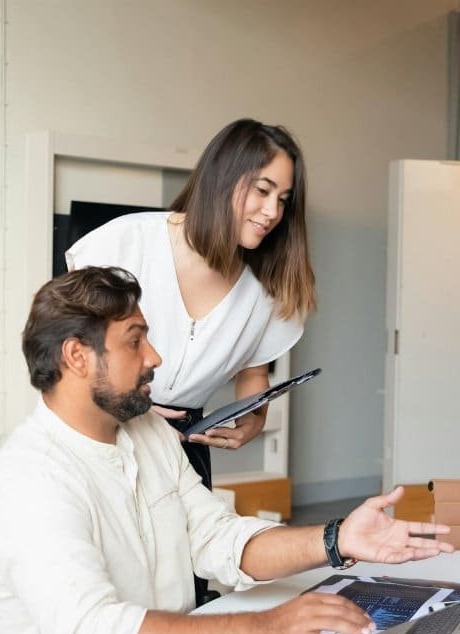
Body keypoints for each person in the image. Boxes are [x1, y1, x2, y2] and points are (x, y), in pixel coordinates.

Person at [0, 266, 452, 634]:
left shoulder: (146, 431)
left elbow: (217, 538)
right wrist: (268, 628)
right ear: (77, 356)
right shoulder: (31, 478)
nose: (154, 358)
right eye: (135, 341)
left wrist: (338, 538)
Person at [64, 118, 316, 493]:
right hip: (102, 431)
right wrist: (126, 401)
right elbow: (66, 346)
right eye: (262, 191)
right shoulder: (128, 241)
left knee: (187, 551)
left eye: (282, 200)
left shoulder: (265, 288)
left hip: (184, 449)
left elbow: (253, 373)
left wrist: (254, 419)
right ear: (223, 180)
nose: (272, 212)